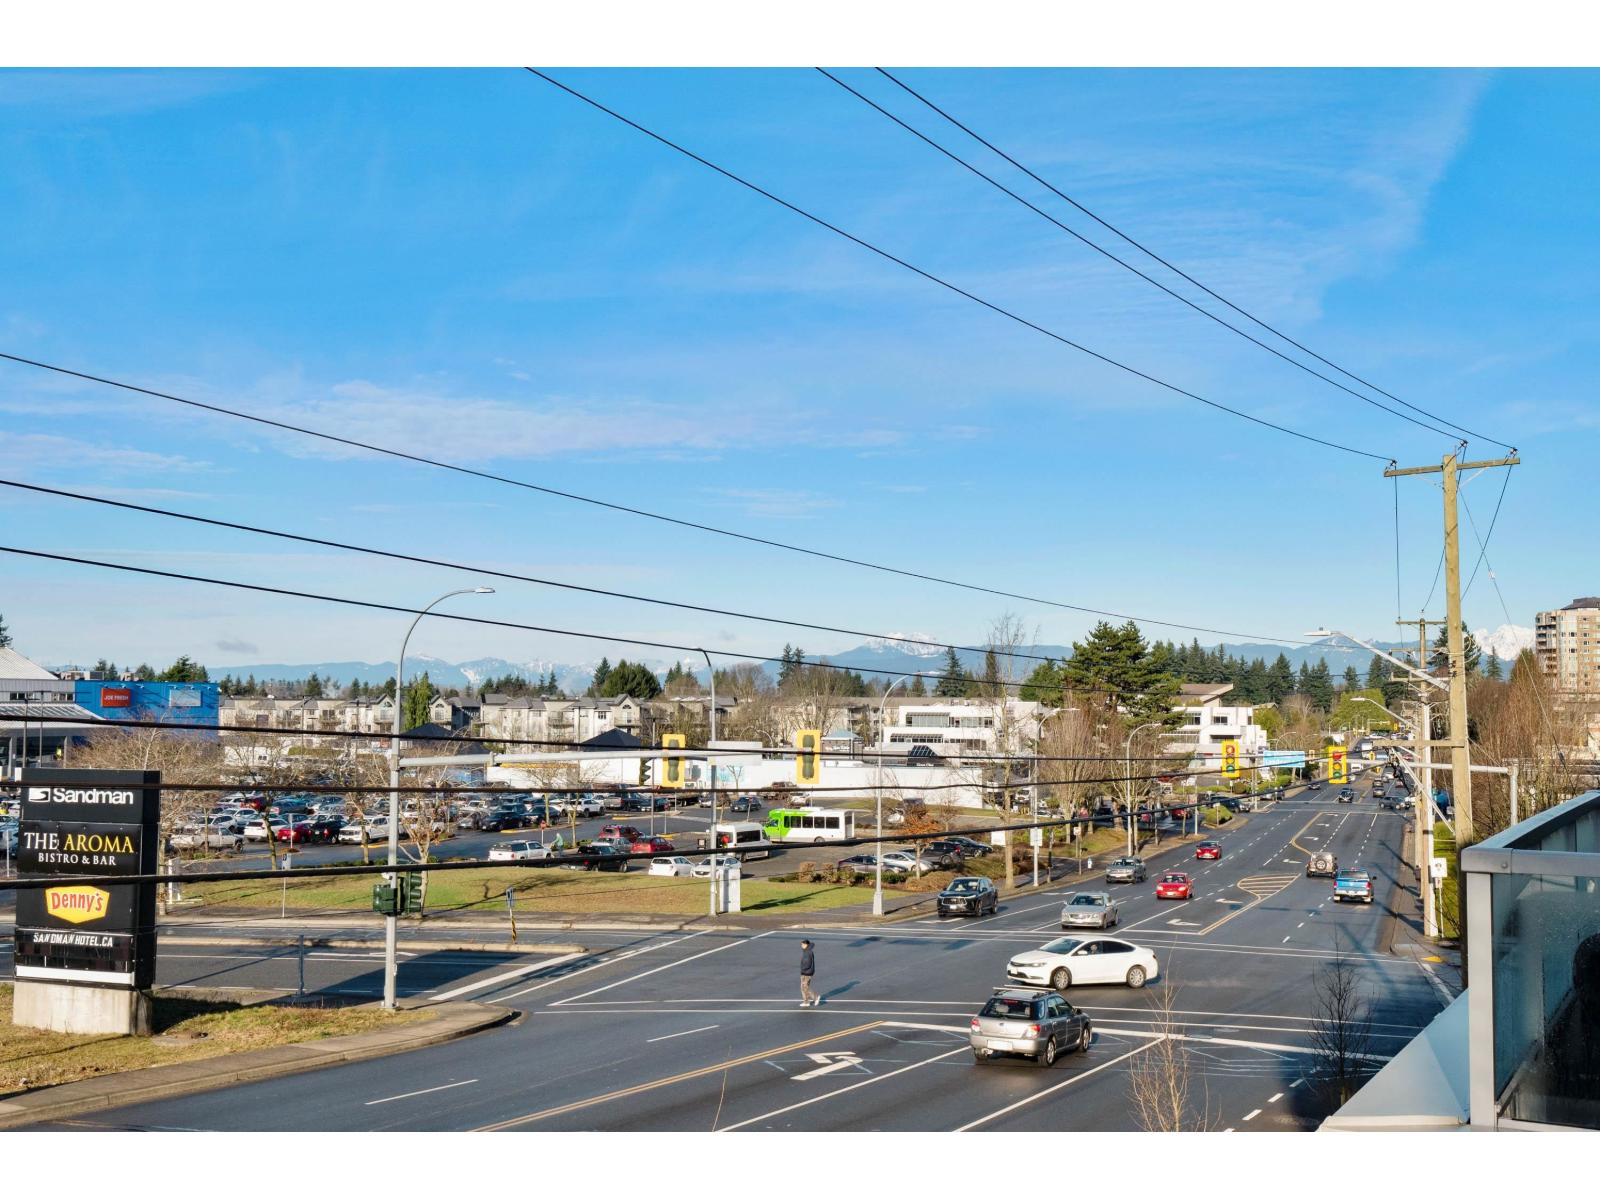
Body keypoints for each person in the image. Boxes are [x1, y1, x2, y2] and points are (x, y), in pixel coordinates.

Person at [799, 938, 818, 1008]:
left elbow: (807, 963)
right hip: (806, 971)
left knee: (805, 987)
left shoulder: (808, 952)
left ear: (806, 944)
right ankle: (806, 1002)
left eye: (802, 944)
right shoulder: (806, 951)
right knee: (803, 987)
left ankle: (815, 997)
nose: (801, 945)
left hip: (807, 972)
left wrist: (803, 969)